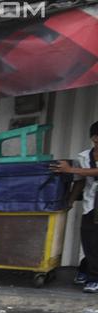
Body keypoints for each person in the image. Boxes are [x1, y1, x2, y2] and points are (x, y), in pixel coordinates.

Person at [52, 121, 98, 293]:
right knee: (89, 241)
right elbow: (80, 182)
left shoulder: (75, 166)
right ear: (94, 138)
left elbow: (79, 173)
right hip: (91, 203)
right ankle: (86, 270)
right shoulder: (85, 157)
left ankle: (93, 277)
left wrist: (69, 169)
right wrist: (70, 201)